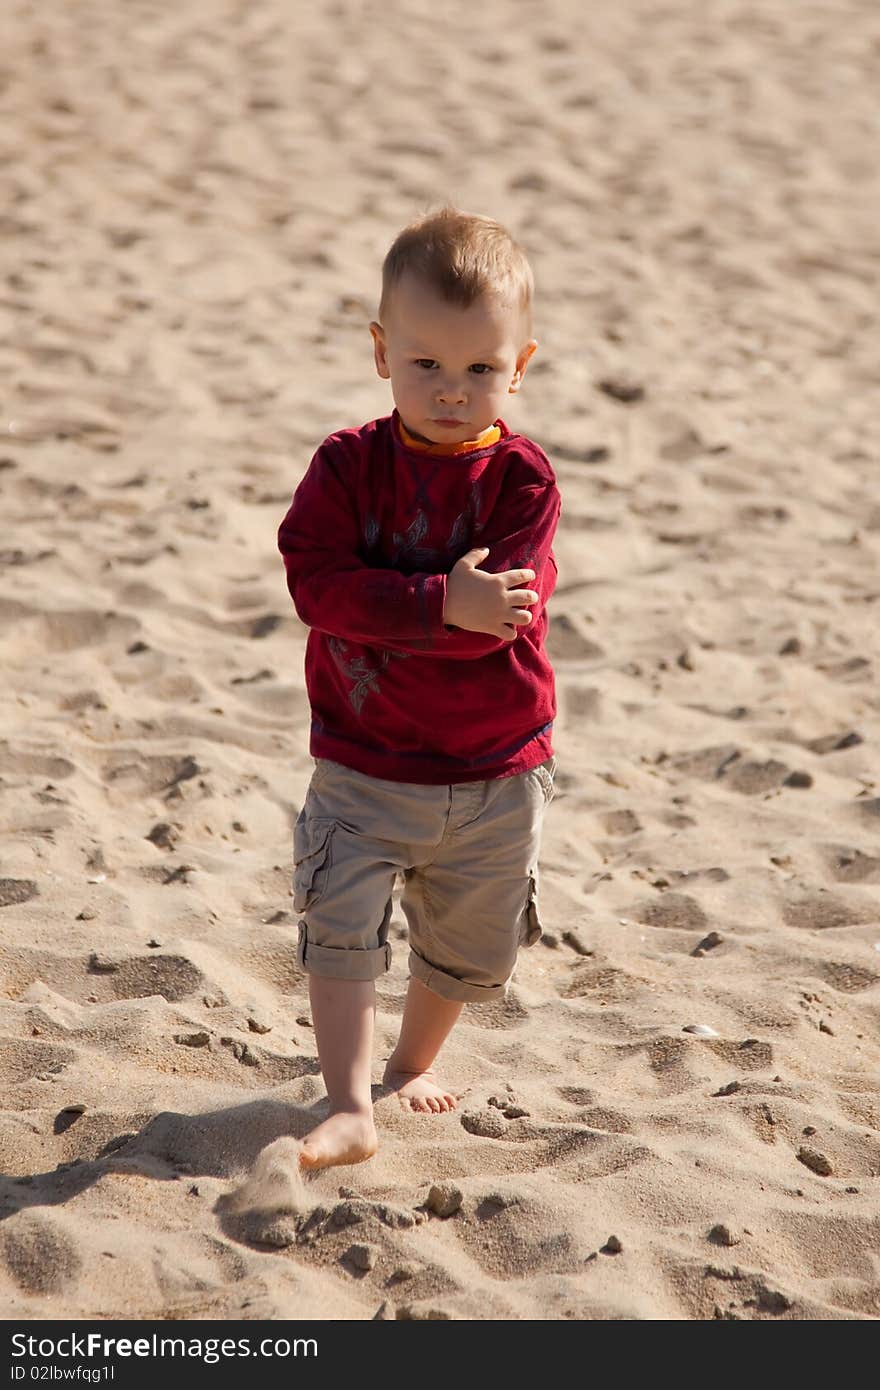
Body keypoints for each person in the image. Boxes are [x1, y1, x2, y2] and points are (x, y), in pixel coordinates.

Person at [276, 205, 561, 1172]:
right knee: (340, 926)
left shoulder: (522, 481)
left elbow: (505, 620)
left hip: (493, 769)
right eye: (425, 363)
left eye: (480, 368)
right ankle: (349, 1103)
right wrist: (444, 603)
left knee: (468, 945)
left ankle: (409, 1064)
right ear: (380, 350)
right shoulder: (347, 467)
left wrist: (416, 610)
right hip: (362, 755)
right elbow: (316, 585)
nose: (451, 389)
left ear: (520, 365)